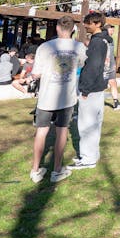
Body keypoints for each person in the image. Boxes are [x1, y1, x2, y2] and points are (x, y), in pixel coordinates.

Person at [29, 16, 86, 183]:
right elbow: (81, 64)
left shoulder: (45, 47)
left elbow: (36, 73)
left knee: (41, 131)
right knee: (62, 131)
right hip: (66, 96)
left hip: (47, 96)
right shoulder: (79, 47)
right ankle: (57, 169)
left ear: (57, 28)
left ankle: (35, 169)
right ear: (73, 29)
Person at [73, 13, 108, 170]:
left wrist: (85, 89)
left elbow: (93, 66)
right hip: (98, 87)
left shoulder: (97, 42)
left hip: (92, 89)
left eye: (87, 23)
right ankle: (92, 154)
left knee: (87, 124)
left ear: (97, 24)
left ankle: (87, 158)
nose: (85, 26)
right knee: (94, 123)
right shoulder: (102, 40)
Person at [102, 24, 120, 111]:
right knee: (101, 85)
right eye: (111, 30)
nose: (113, 32)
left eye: (113, 30)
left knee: (113, 82)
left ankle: (116, 102)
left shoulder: (111, 40)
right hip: (103, 66)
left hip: (111, 66)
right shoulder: (102, 40)